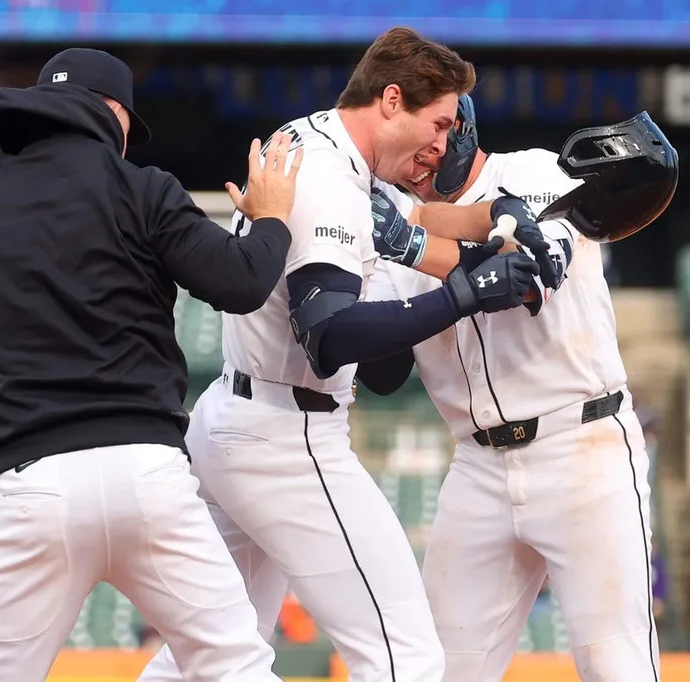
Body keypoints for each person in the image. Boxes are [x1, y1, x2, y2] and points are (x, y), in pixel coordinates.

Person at [138, 28, 550, 682]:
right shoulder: (328, 177)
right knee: (405, 657)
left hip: (240, 418)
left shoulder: (318, 149)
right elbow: (329, 339)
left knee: (209, 658)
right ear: (391, 100)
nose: (442, 146)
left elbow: (383, 369)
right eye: (438, 123)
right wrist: (464, 293)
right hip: (284, 434)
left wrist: (449, 258)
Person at [0, 48, 304, 682]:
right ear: (111, 113)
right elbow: (241, 284)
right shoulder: (143, 187)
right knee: (235, 668)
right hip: (148, 474)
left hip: (34, 485)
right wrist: (270, 219)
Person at [363, 96, 678, 681]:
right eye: (418, 138)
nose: (428, 153)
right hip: (476, 467)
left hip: (581, 446)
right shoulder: (393, 228)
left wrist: (414, 235)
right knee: (435, 670)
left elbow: (533, 269)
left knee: (618, 666)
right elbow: (382, 373)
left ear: (462, 129)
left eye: (442, 131)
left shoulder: (531, 172)